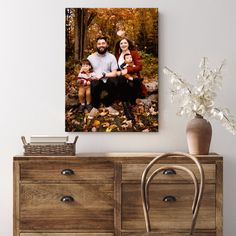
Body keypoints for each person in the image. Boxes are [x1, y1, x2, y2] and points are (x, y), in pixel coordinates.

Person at [87, 36, 119, 119]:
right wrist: (93, 76)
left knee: (115, 81)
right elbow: (86, 72)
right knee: (94, 83)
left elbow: (114, 73)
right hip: (96, 80)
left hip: (107, 79)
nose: (101, 45)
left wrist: (103, 75)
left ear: (107, 45)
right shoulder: (90, 57)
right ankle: (95, 107)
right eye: (99, 44)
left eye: (103, 43)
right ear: (96, 45)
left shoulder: (111, 57)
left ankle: (108, 104)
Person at [115, 38, 145, 121]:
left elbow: (140, 66)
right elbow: (116, 68)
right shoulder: (117, 55)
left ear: (128, 44)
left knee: (127, 82)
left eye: (125, 43)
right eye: (121, 43)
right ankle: (127, 107)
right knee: (121, 79)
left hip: (132, 76)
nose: (123, 44)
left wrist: (127, 70)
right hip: (121, 78)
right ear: (119, 45)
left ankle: (128, 104)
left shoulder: (134, 53)